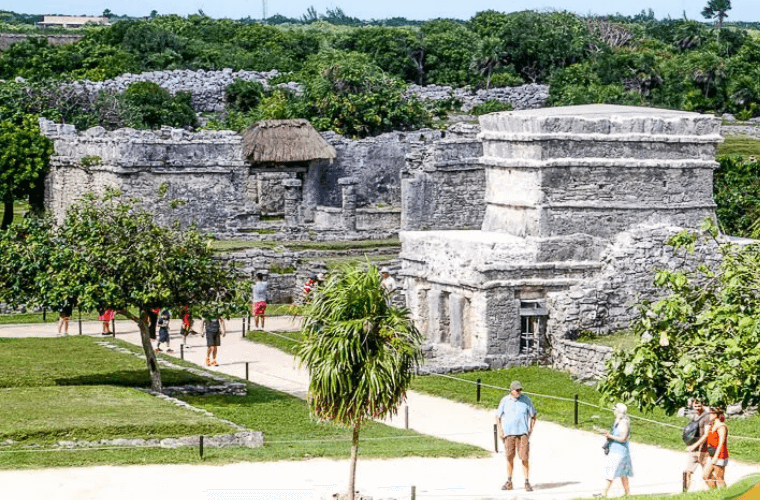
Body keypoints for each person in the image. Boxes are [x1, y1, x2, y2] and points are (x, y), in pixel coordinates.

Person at [495, 380, 537, 492]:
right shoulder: (505, 401)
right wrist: (500, 431)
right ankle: (509, 481)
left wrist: (530, 430)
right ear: (511, 390)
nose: (519, 392)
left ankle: (527, 481)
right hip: (509, 434)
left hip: (522, 434)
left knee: (524, 458)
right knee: (509, 457)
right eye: (517, 390)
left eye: (520, 390)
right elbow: (498, 417)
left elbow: (533, 415)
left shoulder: (526, 400)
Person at [600, 403, 633, 497]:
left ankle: (604, 493)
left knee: (611, 471)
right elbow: (615, 433)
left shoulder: (624, 422)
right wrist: (607, 433)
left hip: (620, 450)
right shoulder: (617, 421)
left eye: (615, 410)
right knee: (623, 472)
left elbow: (623, 438)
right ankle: (628, 493)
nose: (614, 412)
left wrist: (609, 436)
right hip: (614, 448)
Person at [684, 400, 711, 491]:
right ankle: (684, 493)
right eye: (695, 406)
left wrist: (694, 446)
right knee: (687, 472)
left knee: (706, 475)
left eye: (699, 406)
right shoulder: (694, 416)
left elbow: (706, 435)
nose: (697, 408)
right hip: (693, 449)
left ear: (702, 405)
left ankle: (715, 491)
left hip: (703, 449)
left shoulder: (707, 417)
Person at [702, 407, 729, 489]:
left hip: (720, 455)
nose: (708, 415)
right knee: (706, 476)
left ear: (716, 415)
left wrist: (716, 457)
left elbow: (721, 443)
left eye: (710, 414)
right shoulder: (711, 425)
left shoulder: (721, 426)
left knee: (719, 478)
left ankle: (724, 494)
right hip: (711, 454)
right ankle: (714, 492)